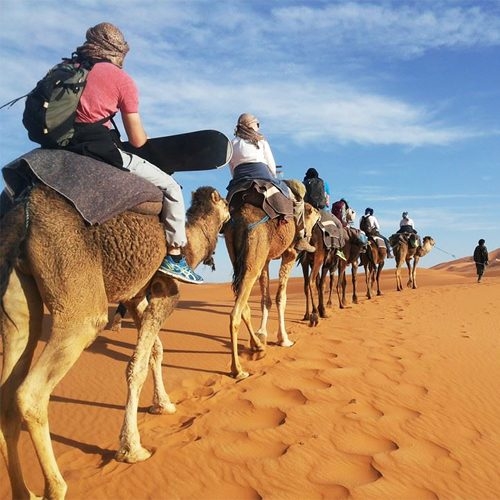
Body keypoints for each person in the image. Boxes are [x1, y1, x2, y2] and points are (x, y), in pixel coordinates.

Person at [65, 22, 202, 284]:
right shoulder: (121, 80)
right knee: (172, 188)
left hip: (58, 147)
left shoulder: (66, 70)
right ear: (119, 50)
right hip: (97, 148)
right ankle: (174, 256)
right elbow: (137, 140)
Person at [228, 113, 315, 253]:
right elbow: (272, 167)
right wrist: (273, 180)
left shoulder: (231, 144)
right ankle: (300, 237)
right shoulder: (260, 141)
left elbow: (232, 168)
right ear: (250, 125)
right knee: (296, 199)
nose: (258, 127)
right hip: (262, 178)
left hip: (238, 183)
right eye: (257, 124)